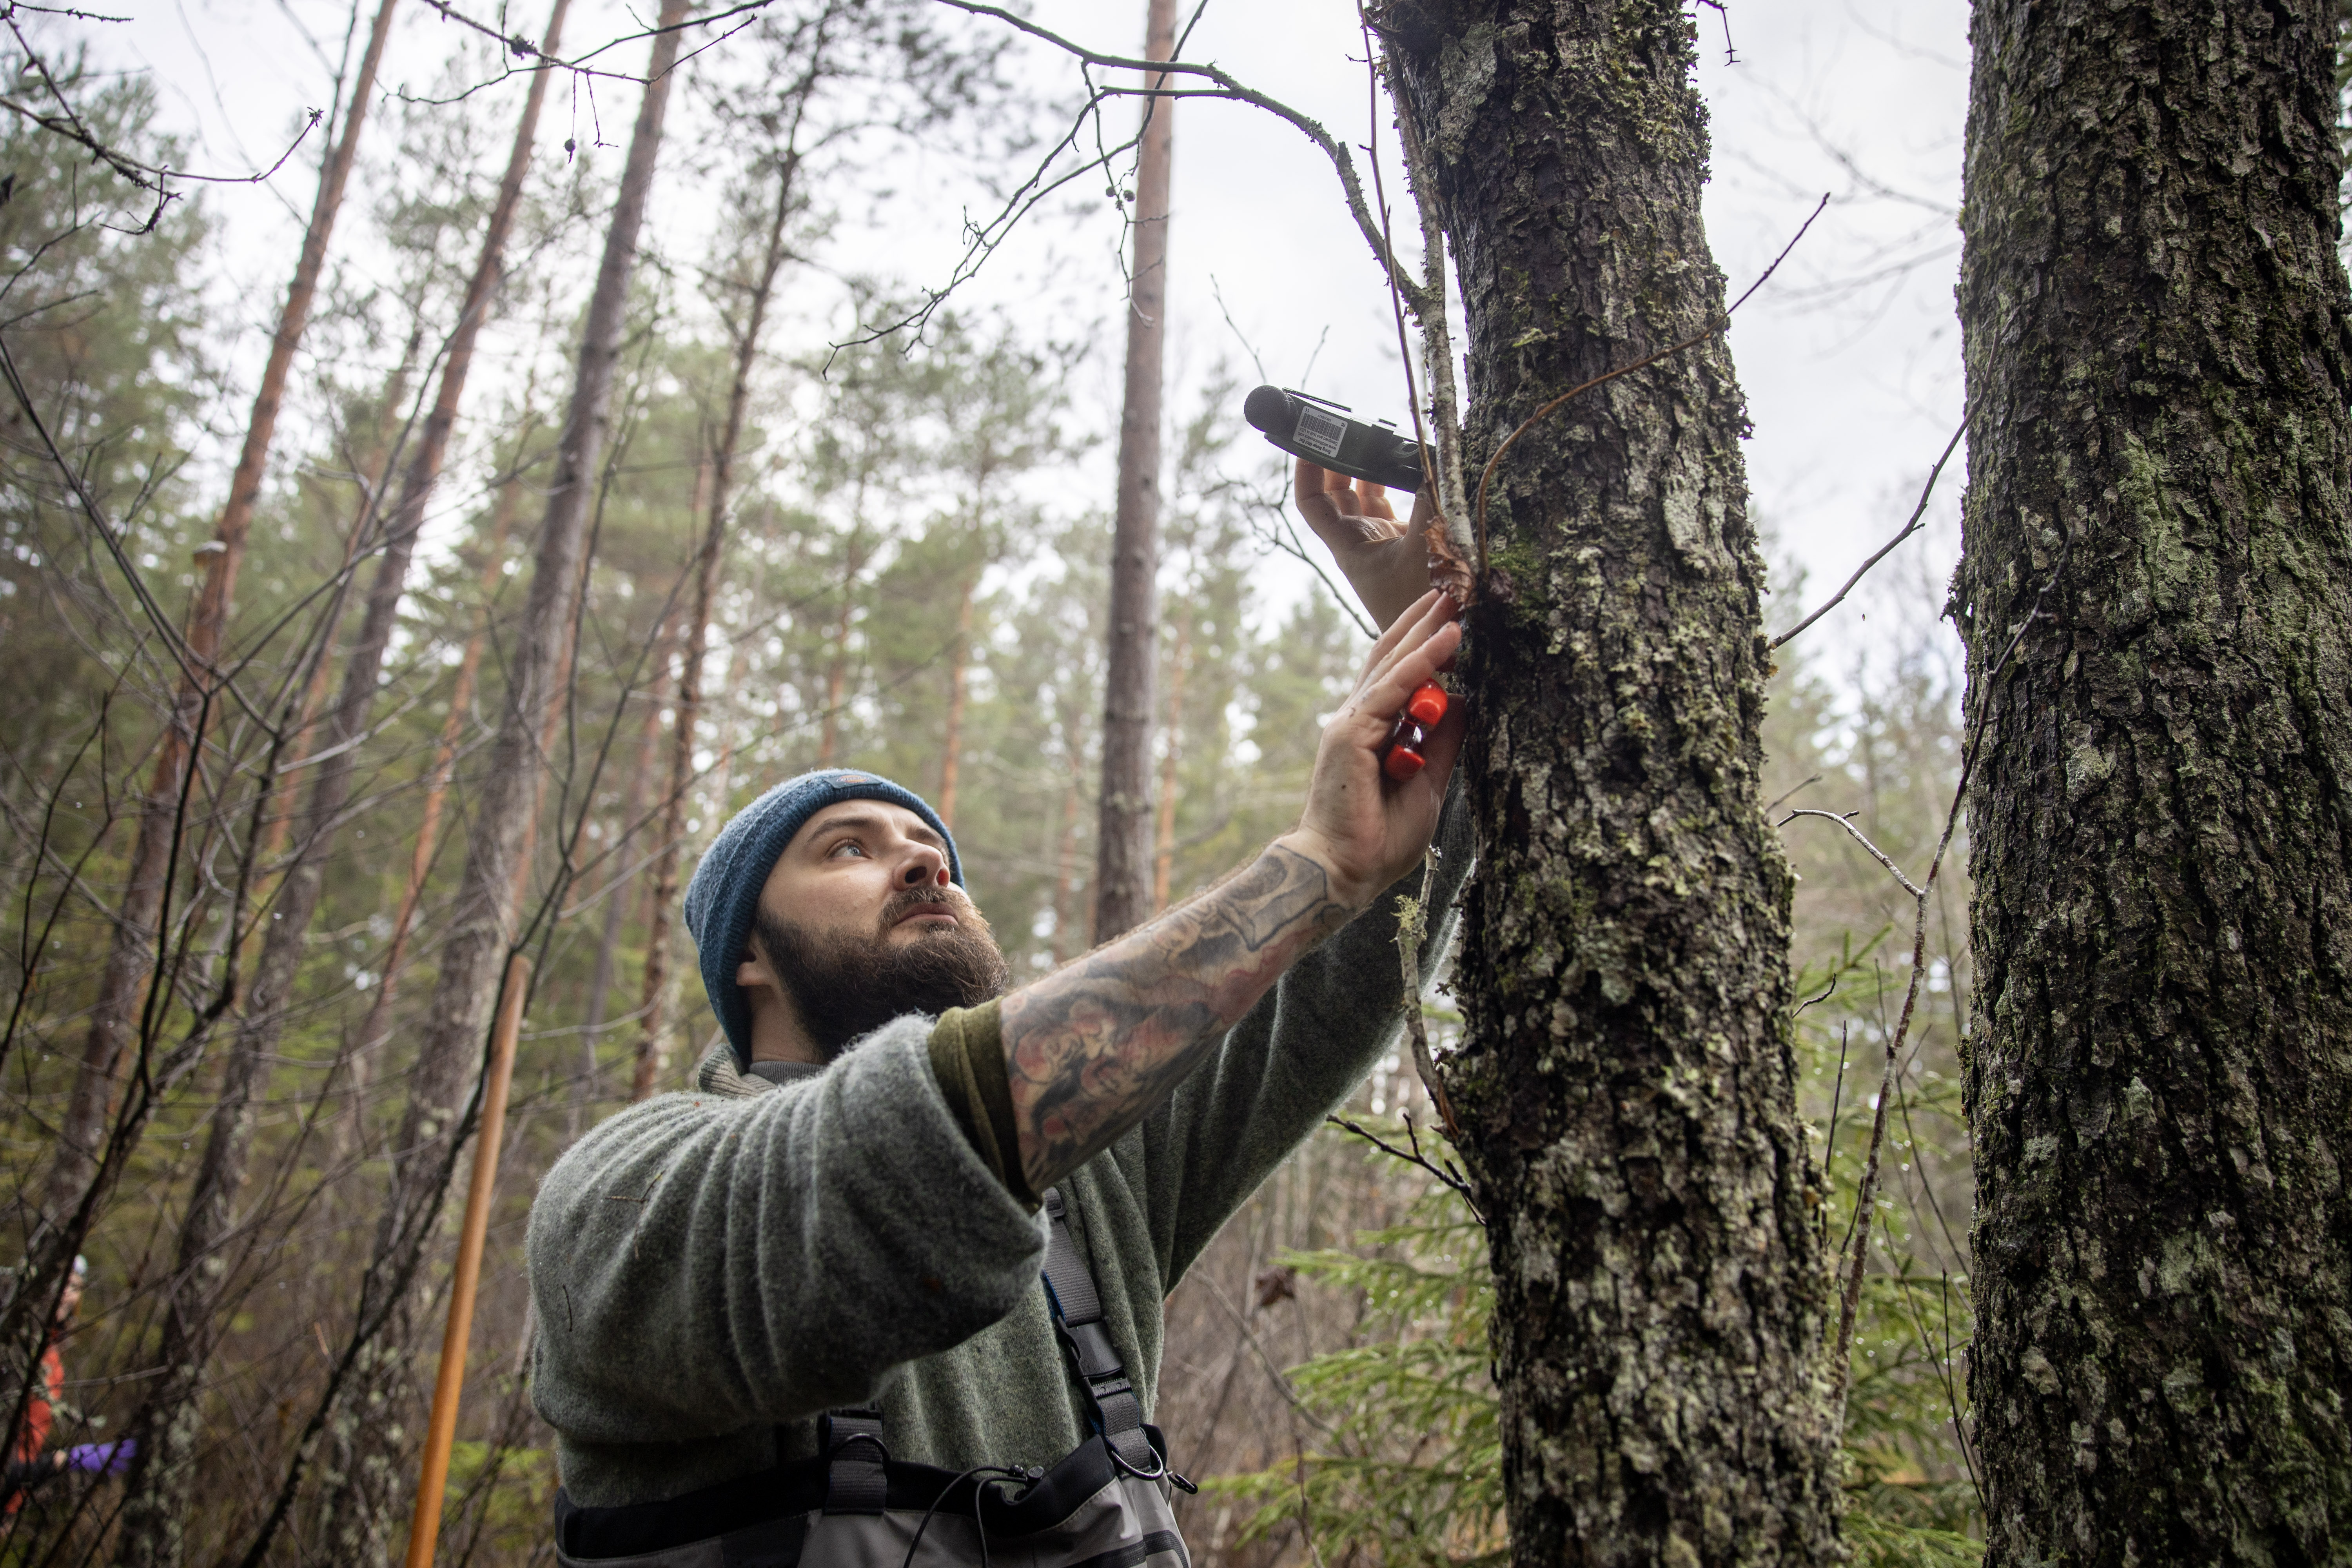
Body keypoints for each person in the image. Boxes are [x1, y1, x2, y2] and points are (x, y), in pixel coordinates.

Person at [528, 462, 1468, 1567]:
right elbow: (884, 1161)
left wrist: (1435, 640)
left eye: (929, 847)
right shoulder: (620, 1201)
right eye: (849, 849)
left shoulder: (1095, 1185)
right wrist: (1305, 864)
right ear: (747, 958)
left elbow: (1349, 948)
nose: (920, 859)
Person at [3, 1257, 133, 1514]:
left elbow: (29, 1443)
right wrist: (64, 1462)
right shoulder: (13, 1346)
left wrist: (10, 1508)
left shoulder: (52, 1360)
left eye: (75, 1287)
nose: (66, 1294)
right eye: (60, 1282)